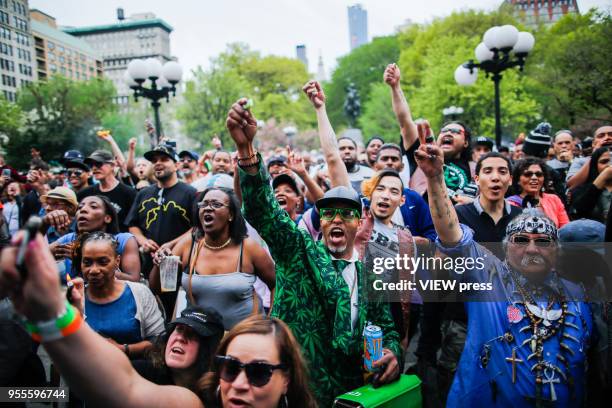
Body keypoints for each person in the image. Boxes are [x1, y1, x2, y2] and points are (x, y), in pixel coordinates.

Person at [228, 96, 401, 406]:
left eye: (346, 213)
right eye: (328, 213)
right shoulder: (298, 251)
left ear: (359, 221)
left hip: (350, 397)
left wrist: (392, 353)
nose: (336, 219)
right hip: (296, 395)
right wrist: (246, 151)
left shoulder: (369, 274)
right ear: (319, 220)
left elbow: (386, 327)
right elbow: (263, 211)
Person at [0, 240, 316, 407]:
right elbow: (121, 387)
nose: (240, 383)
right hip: (51, 390)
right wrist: (52, 311)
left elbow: (147, 343)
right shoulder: (173, 390)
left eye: (259, 372)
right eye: (230, 367)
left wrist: (122, 347)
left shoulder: (137, 295)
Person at [413, 129, 594, 407]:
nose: (532, 249)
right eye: (521, 241)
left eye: (542, 241)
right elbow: (452, 237)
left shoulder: (577, 295)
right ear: (507, 248)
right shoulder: (491, 277)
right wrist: (435, 178)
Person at [416, 152, 523, 405]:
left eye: (502, 171)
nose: (495, 178)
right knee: (458, 384)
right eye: (488, 171)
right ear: (477, 178)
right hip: (462, 320)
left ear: (510, 179)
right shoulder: (459, 217)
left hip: (511, 320)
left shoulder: (523, 219)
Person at [151, 187, 275, 329]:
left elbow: (277, 284)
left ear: (231, 215)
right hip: (200, 339)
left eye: (216, 204)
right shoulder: (188, 245)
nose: (208, 208)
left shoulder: (248, 248)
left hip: (244, 338)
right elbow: (158, 289)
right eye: (204, 204)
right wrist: (160, 265)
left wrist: (272, 321)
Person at [72, 232, 165, 358]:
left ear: (117, 261)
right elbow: (61, 350)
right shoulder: (74, 298)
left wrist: (124, 349)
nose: (93, 270)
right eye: (87, 262)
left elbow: (159, 342)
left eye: (102, 262)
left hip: (133, 373)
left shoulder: (139, 293)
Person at [126, 143, 197, 296]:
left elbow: (198, 227)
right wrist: (143, 240)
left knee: (173, 307)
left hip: (178, 264)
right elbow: (132, 224)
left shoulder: (190, 193)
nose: (158, 163)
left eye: (164, 159)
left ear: (176, 165)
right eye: (154, 160)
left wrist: (172, 244)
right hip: (146, 264)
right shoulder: (143, 193)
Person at [50, 195, 141, 282]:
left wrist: (82, 261)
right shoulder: (70, 238)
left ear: (107, 218)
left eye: (93, 206)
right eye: (80, 207)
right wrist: (45, 223)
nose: (83, 210)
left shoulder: (123, 240)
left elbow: (133, 280)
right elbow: (37, 257)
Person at [133, 306, 224, 390]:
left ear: (209, 348)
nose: (180, 338)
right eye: (179, 329)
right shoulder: (141, 374)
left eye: (192, 334)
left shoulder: (215, 393)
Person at [79, 150, 137, 232]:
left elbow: (135, 224)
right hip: (90, 241)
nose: (94, 168)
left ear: (113, 165)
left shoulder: (129, 193)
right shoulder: (85, 193)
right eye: (91, 165)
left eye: (98, 164)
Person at [508, 158, 569, 227]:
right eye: (528, 174)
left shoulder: (554, 199)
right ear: (518, 180)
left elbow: (565, 229)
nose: (534, 177)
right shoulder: (511, 204)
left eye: (539, 174)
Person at [569, 146, 612, 223]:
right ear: (594, 166)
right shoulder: (581, 190)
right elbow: (578, 213)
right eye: (604, 162)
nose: (609, 165)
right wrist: (603, 177)